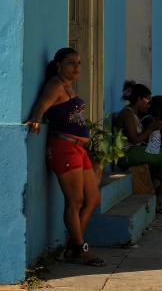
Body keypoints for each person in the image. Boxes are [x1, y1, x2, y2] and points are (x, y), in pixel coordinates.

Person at [25, 48, 104, 266]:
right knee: (75, 200)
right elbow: (42, 104)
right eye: (71, 63)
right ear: (59, 65)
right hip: (64, 147)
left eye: (78, 63)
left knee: (93, 198)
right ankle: (79, 249)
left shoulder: (68, 88)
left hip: (79, 149)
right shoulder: (55, 85)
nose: (77, 67)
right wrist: (35, 119)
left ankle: (73, 246)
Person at [114, 81, 162, 214]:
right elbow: (134, 139)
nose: (149, 105)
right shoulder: (127, 113)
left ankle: (157, 186)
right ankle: (158, 196)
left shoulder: (134, 114)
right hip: (125, 154)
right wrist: (150, 128)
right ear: (139, 99)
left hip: (133, 150)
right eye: (147, 101)